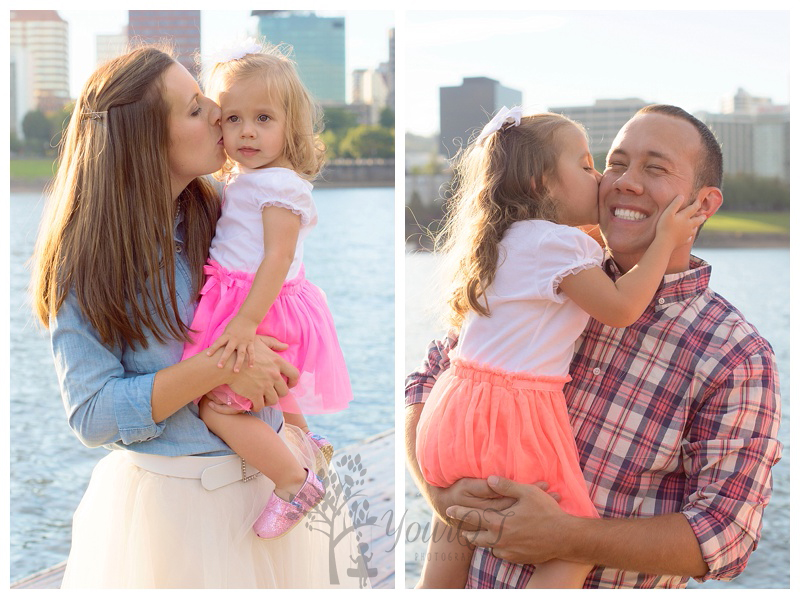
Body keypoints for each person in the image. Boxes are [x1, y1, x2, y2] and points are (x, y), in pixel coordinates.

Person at [406, 104, 782, 589]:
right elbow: (430, 376)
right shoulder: (554, 271)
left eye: (656, 168)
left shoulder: (735, 354)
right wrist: (439, 494)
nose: (623, 181)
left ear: (703, 206)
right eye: (615, 163)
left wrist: (569, 537)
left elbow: (725, 534)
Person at [31, 45, 359, 588]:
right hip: (177, 516)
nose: (216, 114)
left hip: (269, 495)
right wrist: (221, 367)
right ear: (145, 139)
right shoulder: (86, 258)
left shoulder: (222, 209)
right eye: (194, 107)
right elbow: (92, 413)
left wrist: (291, 408)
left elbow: (281, 313)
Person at [180, 40, 352, 539]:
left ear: (289, 125)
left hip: (258, 303)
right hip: (242, 297)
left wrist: (247, 321)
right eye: (232, 119)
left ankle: (293, 480)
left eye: (263, 119)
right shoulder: (246, 179)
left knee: (217, 405)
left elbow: (277, 256)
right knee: (262, 391)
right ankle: (305, 440)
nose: (247, 131)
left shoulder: (280, 185)